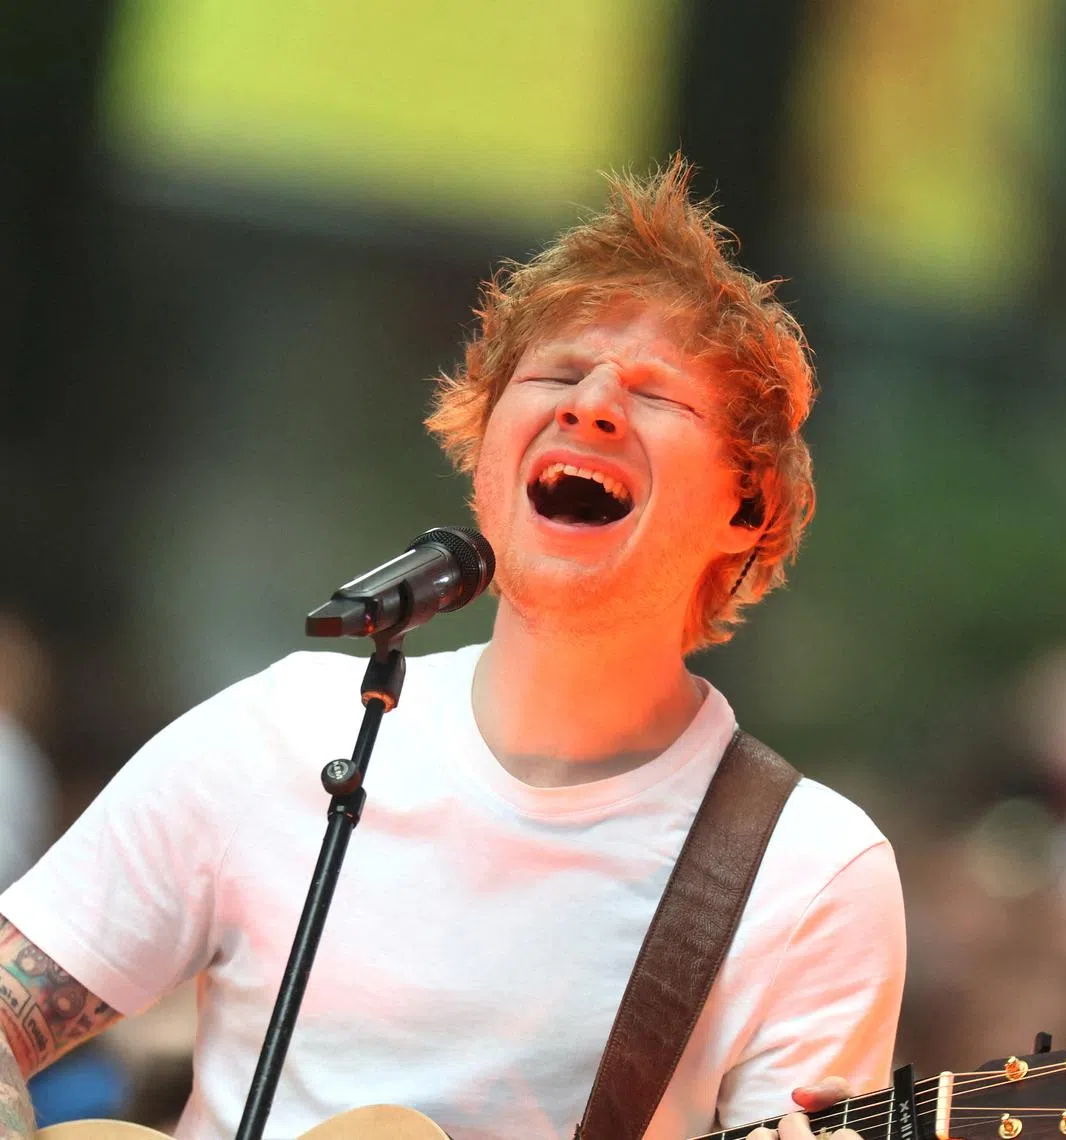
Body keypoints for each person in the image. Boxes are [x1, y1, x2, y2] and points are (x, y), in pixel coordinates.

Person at [0, 157, 905, 1140]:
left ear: (748, 501)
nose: (590, 404)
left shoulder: (808, 871)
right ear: (484, 449)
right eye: (555, 373)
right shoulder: (286, 731)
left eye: (656, 395)